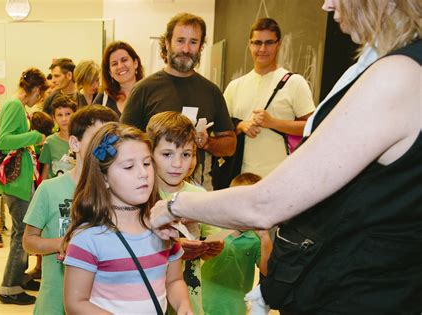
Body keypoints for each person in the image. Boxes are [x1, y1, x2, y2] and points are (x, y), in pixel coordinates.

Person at [150, 0, 421, 313]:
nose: (327, 5)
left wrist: (175, 205)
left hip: (366, 289)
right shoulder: (393, 66)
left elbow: (264, 203)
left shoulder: (399, 75)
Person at [62, 122, 192, 314]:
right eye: (129, 166)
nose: (143, 174)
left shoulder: (163, 228)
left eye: (147, 163)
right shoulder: (87, 238)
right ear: (104, 177)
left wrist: (183, 305)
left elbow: (174, 280)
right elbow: (75, 303)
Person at [121, 13, 236, 190]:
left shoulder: (211, 92)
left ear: (201, 47)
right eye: (180, 40)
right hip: (150, 187)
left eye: (193, 42)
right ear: (167, 43)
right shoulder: (144, 89)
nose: (186, 49)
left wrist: (207, 143)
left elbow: (230, 146)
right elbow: (124, 141)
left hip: (199, 187)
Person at [22, 106, 118, 315]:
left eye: (110, 140)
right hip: (54, 301)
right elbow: (29, 241)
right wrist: (62, 243)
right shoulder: (49, 189)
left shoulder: (119, 193)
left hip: (102, 302)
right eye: (96, 138)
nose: (104, 147)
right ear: (75, 143)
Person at [146, 111, 224, 314]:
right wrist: (175, 247)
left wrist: (213, 247)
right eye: (167, 154)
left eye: (186, 154)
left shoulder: (198, 194)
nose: (178, 164)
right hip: (150, 298)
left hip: (190, 298)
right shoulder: (141, 193)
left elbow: (210, 237)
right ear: (150, 153)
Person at [224, 18, 315, 178]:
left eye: (269, 43)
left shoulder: (295, 82)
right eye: (257, 42)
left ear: (278, 44)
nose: (262, 49)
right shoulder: (235, 86)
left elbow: (311, 126)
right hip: (240, 179)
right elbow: (222, 129)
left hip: (280, 178)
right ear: (249, 44)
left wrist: (273, 123)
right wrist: (241, 126)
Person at [0, 67, 49, 305]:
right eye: (41, 94)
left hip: (21, 180)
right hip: (15, 183)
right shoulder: (14, 105)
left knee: (22, 231)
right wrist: (35, 137)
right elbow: (4, 141)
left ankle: (19, 278)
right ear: (37, 90)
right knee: (21, 234)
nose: (39, 100)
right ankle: (9, 287)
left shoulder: (19, 107)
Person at [201, 173, 272, 315]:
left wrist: (265, 238)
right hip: (202, 303)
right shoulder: (213, 226)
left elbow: (267, 270)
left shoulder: (256, 239)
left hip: (235, 308)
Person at [93, 41, 144, 118]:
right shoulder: (103, 98)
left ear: (135, 63)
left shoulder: (149, 94)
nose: (120, 66)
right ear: (110, 72)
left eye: (124, 60)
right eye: (114, 64)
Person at [39, 94, 77, 180]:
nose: (64, 119)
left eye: (68, 114)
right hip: (56, 190)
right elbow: (46, 169)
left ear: (75, 115)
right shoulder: (50, 141)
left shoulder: (82, 139)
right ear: (54, 118)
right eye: (59, 115)